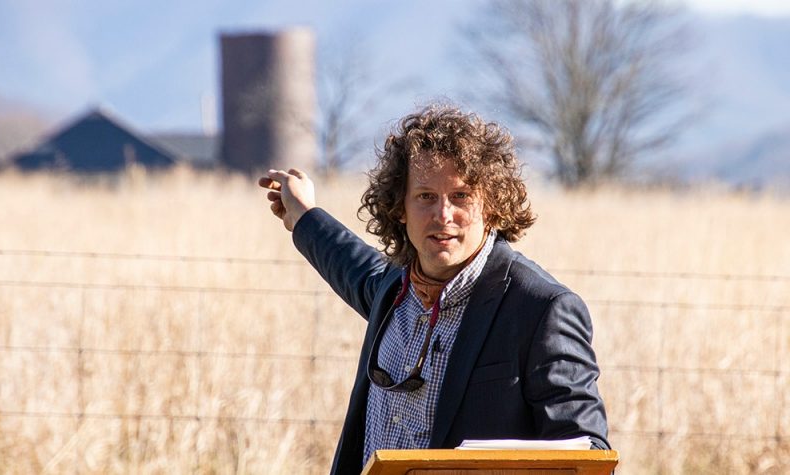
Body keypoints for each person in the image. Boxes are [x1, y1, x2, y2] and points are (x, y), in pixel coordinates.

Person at [259, 104, 609, 474]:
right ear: (400, 209)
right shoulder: (394, 290)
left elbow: (586, 454)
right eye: (425, 196)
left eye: (461, 196)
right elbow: (350, 263)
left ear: (491, 207)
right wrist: (304, 214)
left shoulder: (540, 309)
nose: (443, 215)